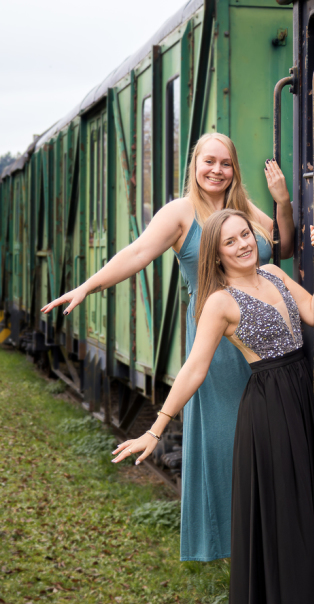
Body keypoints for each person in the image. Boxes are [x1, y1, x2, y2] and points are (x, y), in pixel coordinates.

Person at [41, 133, 294, 563]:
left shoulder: (245, 210)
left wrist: (282, 203)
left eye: (226, 163)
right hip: (217, 343)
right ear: (194, 164)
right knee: (227, 442)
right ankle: (237, 546)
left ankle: (272, 539)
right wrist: (87, 286)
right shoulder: (180, 212)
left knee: (269, 440)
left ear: (234, 169)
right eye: (209, 161)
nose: (217, 170)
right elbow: (138, 252)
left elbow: (283, 247)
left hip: (264, 335)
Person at [112, 209, 314, 604]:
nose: (242, 245)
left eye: (245, 235)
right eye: (230, 242)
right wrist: (156, 430)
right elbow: (193, 369)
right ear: (216, 255)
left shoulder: (275, 274)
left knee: (304, 516)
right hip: (269, 414)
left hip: (298, 403)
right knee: (286, 524)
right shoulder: (219, 302)